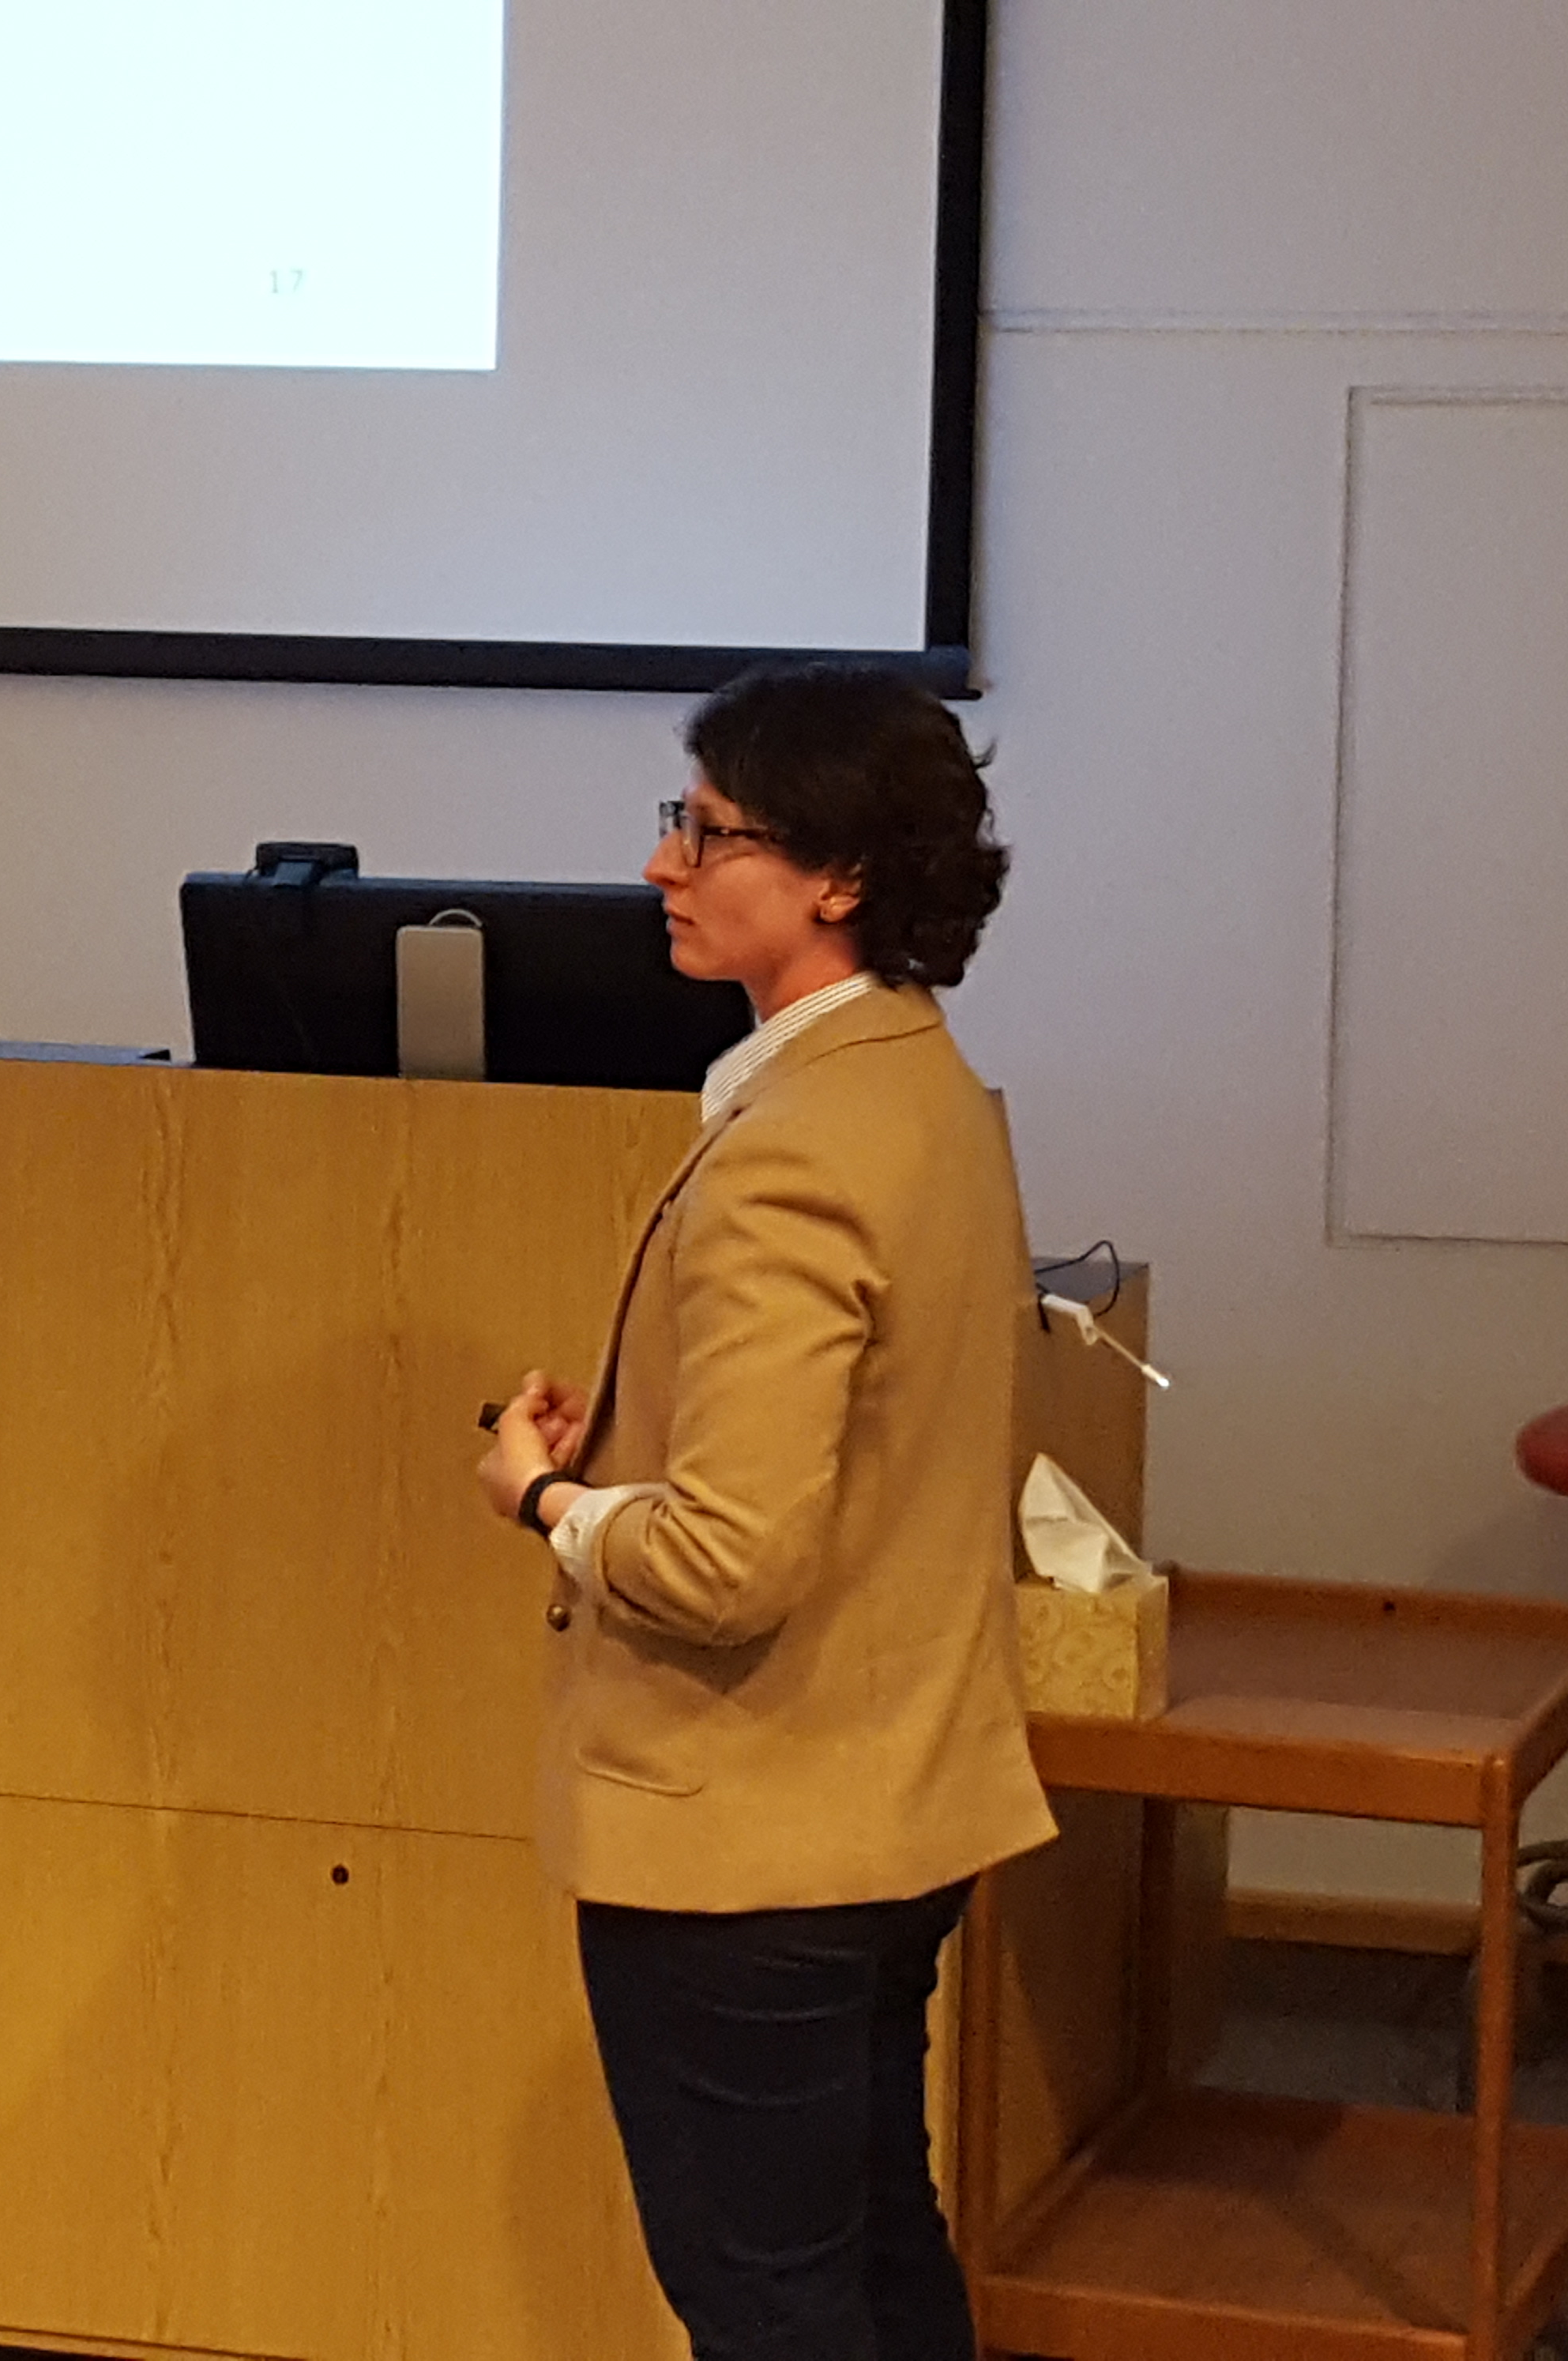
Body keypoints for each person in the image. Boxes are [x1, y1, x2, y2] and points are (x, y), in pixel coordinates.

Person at [475, 661, 1057, 2361]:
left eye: (706, 831)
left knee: (768, 2299)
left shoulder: (795, 1147)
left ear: (839, 876)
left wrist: (550, 1499)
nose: (663, 866)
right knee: (871, 2257)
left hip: (751, 1842)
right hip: (890, 1804)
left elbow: (729, 1563)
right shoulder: (920, 1089)